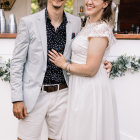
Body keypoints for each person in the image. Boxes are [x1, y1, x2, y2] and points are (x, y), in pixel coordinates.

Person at [10, 0, 112, 140]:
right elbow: (17, 62)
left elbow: (86, 50)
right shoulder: (28, 22)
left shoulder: (76, 22)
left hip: (64, 94)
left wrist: (102, 63)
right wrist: (17, 99)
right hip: (34, 94)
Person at [48, 0, 120, 140]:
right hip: (80, 86)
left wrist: (64, 65)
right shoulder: (89, 24)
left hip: (90, 88)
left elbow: (91, 69)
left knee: (87, 131)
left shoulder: (100, 28)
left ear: (105, 4)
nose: (89, 2)